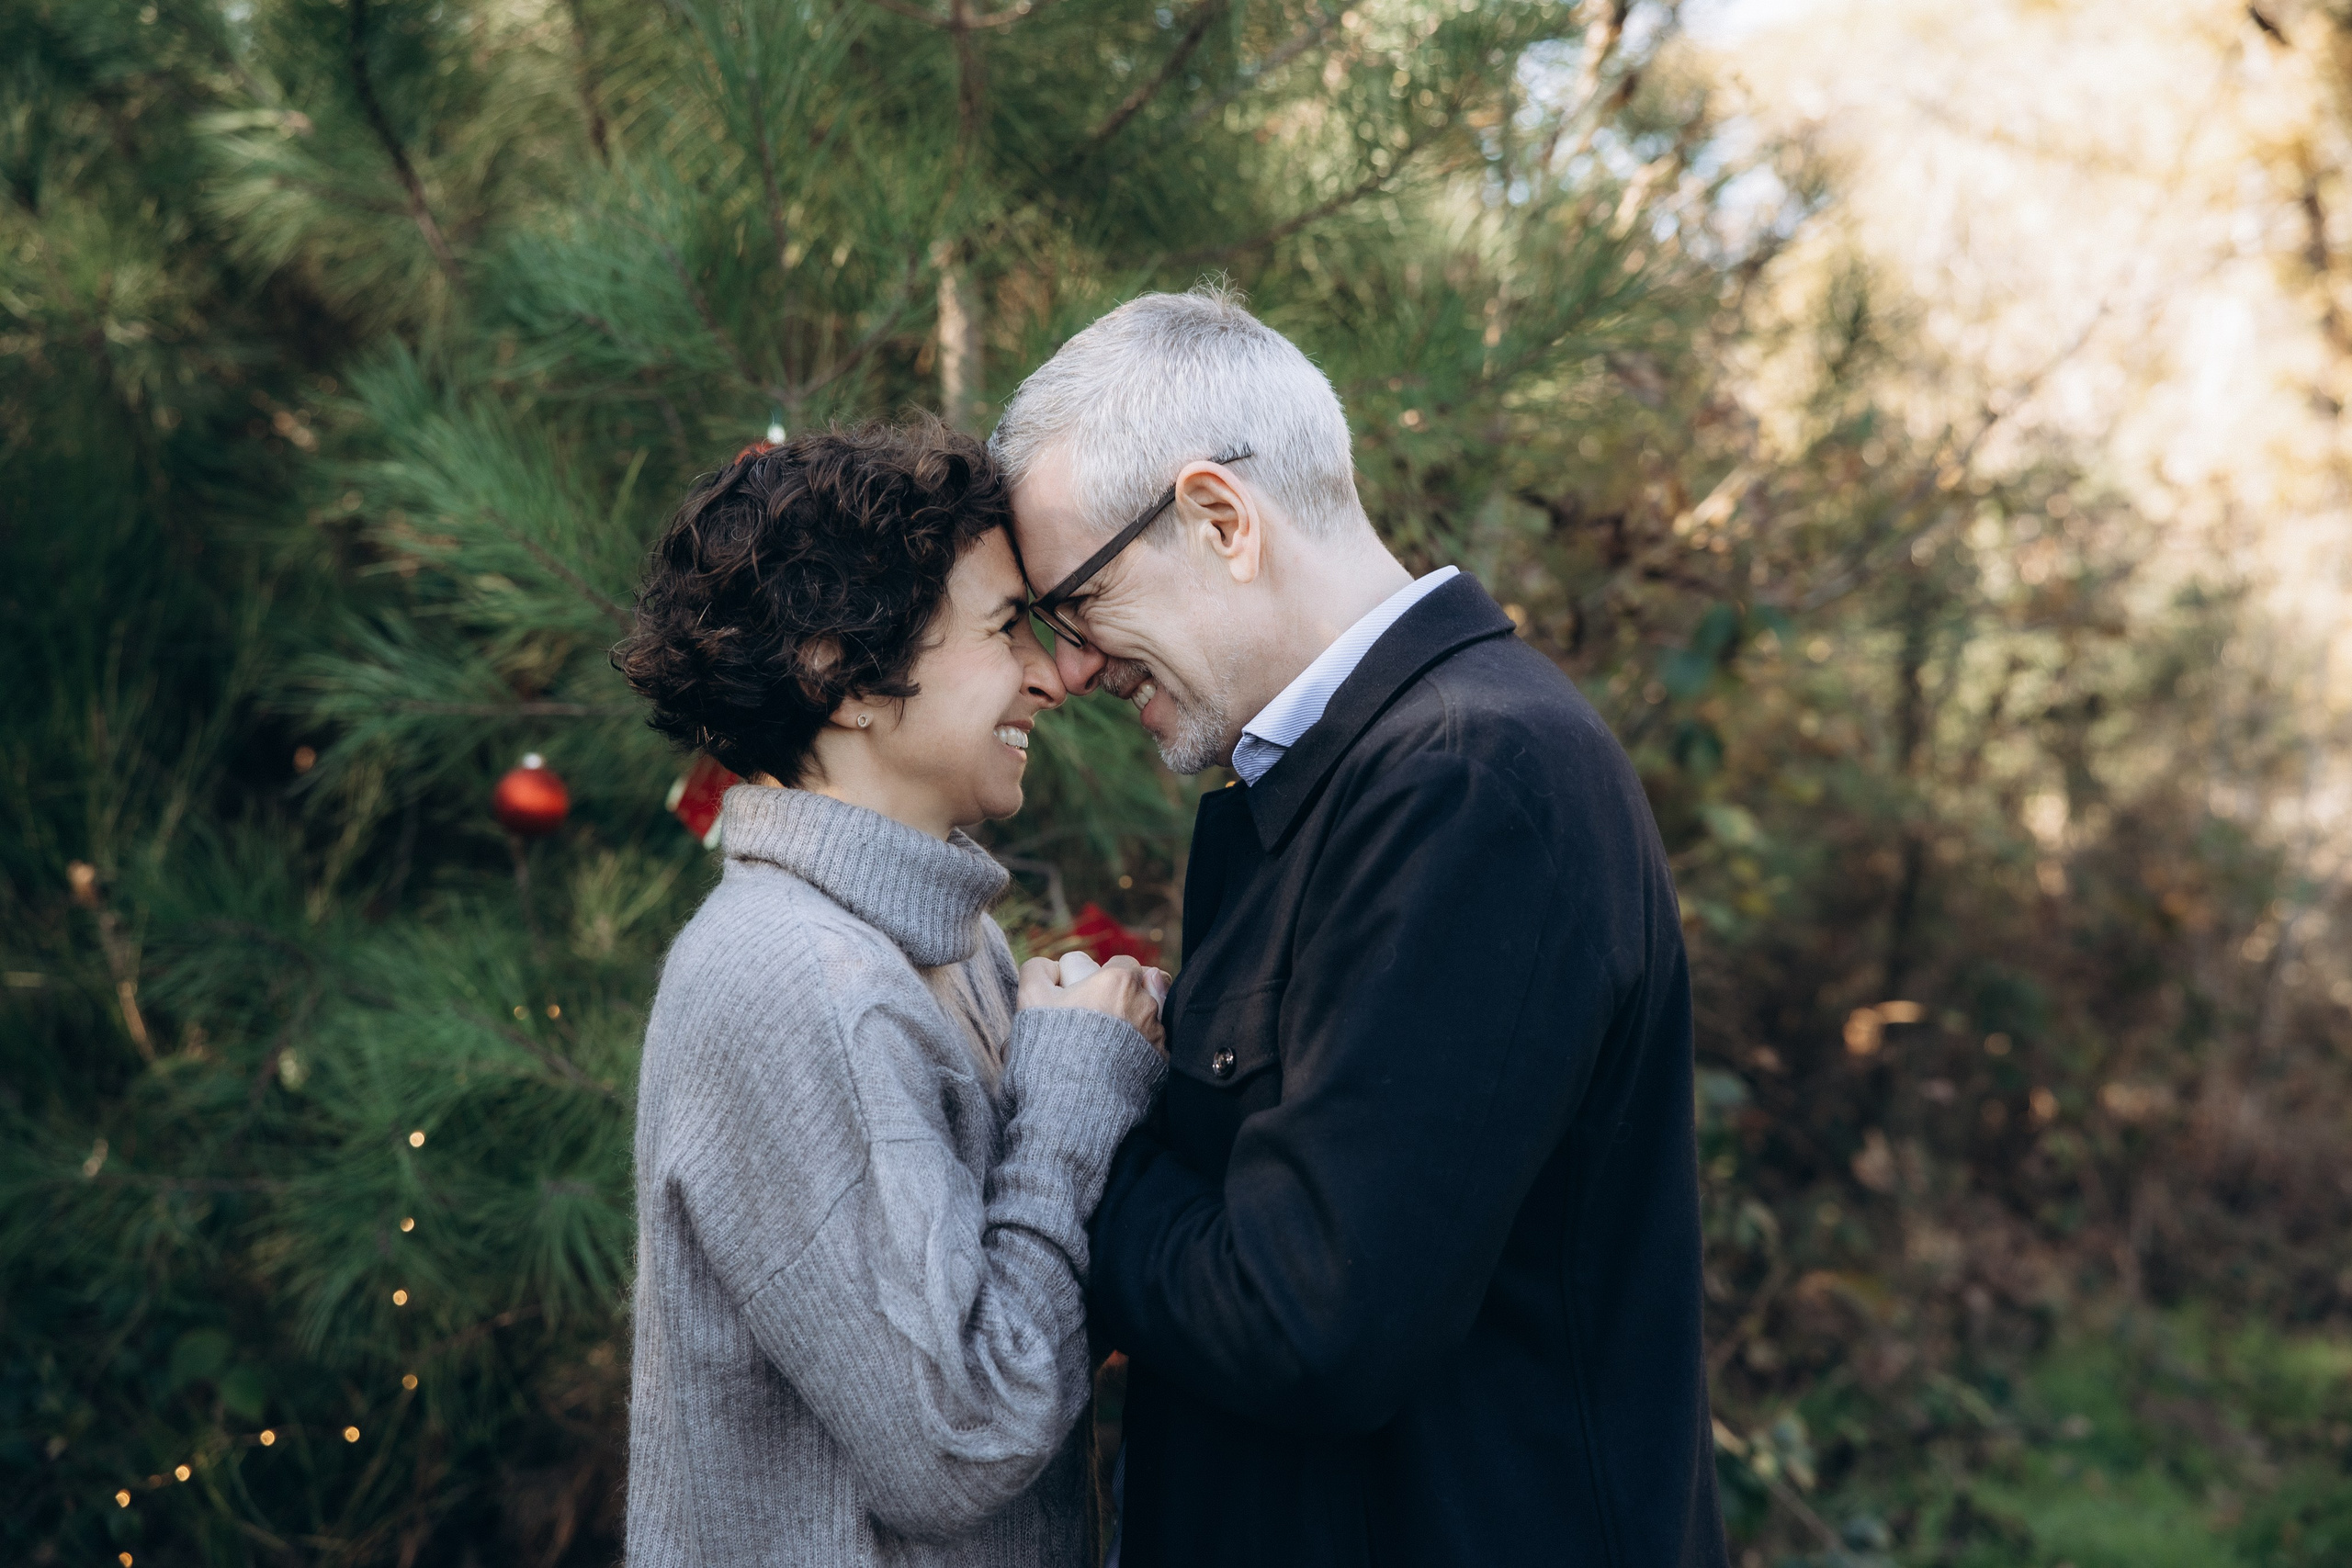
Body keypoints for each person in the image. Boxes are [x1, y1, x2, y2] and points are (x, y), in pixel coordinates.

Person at [992, 287, 1731, 1568]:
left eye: (1078, 601)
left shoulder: (1471, 781)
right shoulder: (1326, 786)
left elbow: (1308, 1319)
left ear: (1220, 518)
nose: (1067, 668)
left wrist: (1081, 1111)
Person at [615, 421, 1168, 1568]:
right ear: (842, 676)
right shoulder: (800, 982)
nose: (1051, 674)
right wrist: (1070, 1095)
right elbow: (961, 1444)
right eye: (1004, 627)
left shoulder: (937, 942)